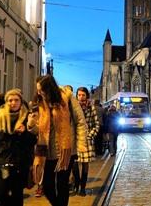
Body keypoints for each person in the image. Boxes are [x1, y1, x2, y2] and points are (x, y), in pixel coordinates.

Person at [27, 75, 88, 206]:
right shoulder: (39, 103)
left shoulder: (67, 98)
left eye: (41, 90)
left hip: (66, 150)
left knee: (62, 184)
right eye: (38, 90)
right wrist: (31, 125)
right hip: (47, 151)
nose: (39, 93)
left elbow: (81, 122)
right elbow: (39, 131)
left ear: (50, 88)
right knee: (47, 186)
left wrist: (81, 145)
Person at [0, 89, 36, 206]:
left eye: (16, 100)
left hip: (19, 164)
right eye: (10, 100)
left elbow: (32, 143)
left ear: (21, 102)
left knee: (17, 197)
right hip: (0, 162)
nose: (13, 103)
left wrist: (25, 132)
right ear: (6, 102)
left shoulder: (27, 119)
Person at [71, 87, 99, 196]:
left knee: (85, 165)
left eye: (83, 95)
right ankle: (76, 184)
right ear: (76, 96)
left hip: (86, 140)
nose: (81, 97)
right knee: (74, 164)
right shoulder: (73, 108)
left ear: (87, 96)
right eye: (79, 95)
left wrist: (90, 135)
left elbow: (96, 125)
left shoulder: (91, 108)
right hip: (75, 140)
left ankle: (82, 187)